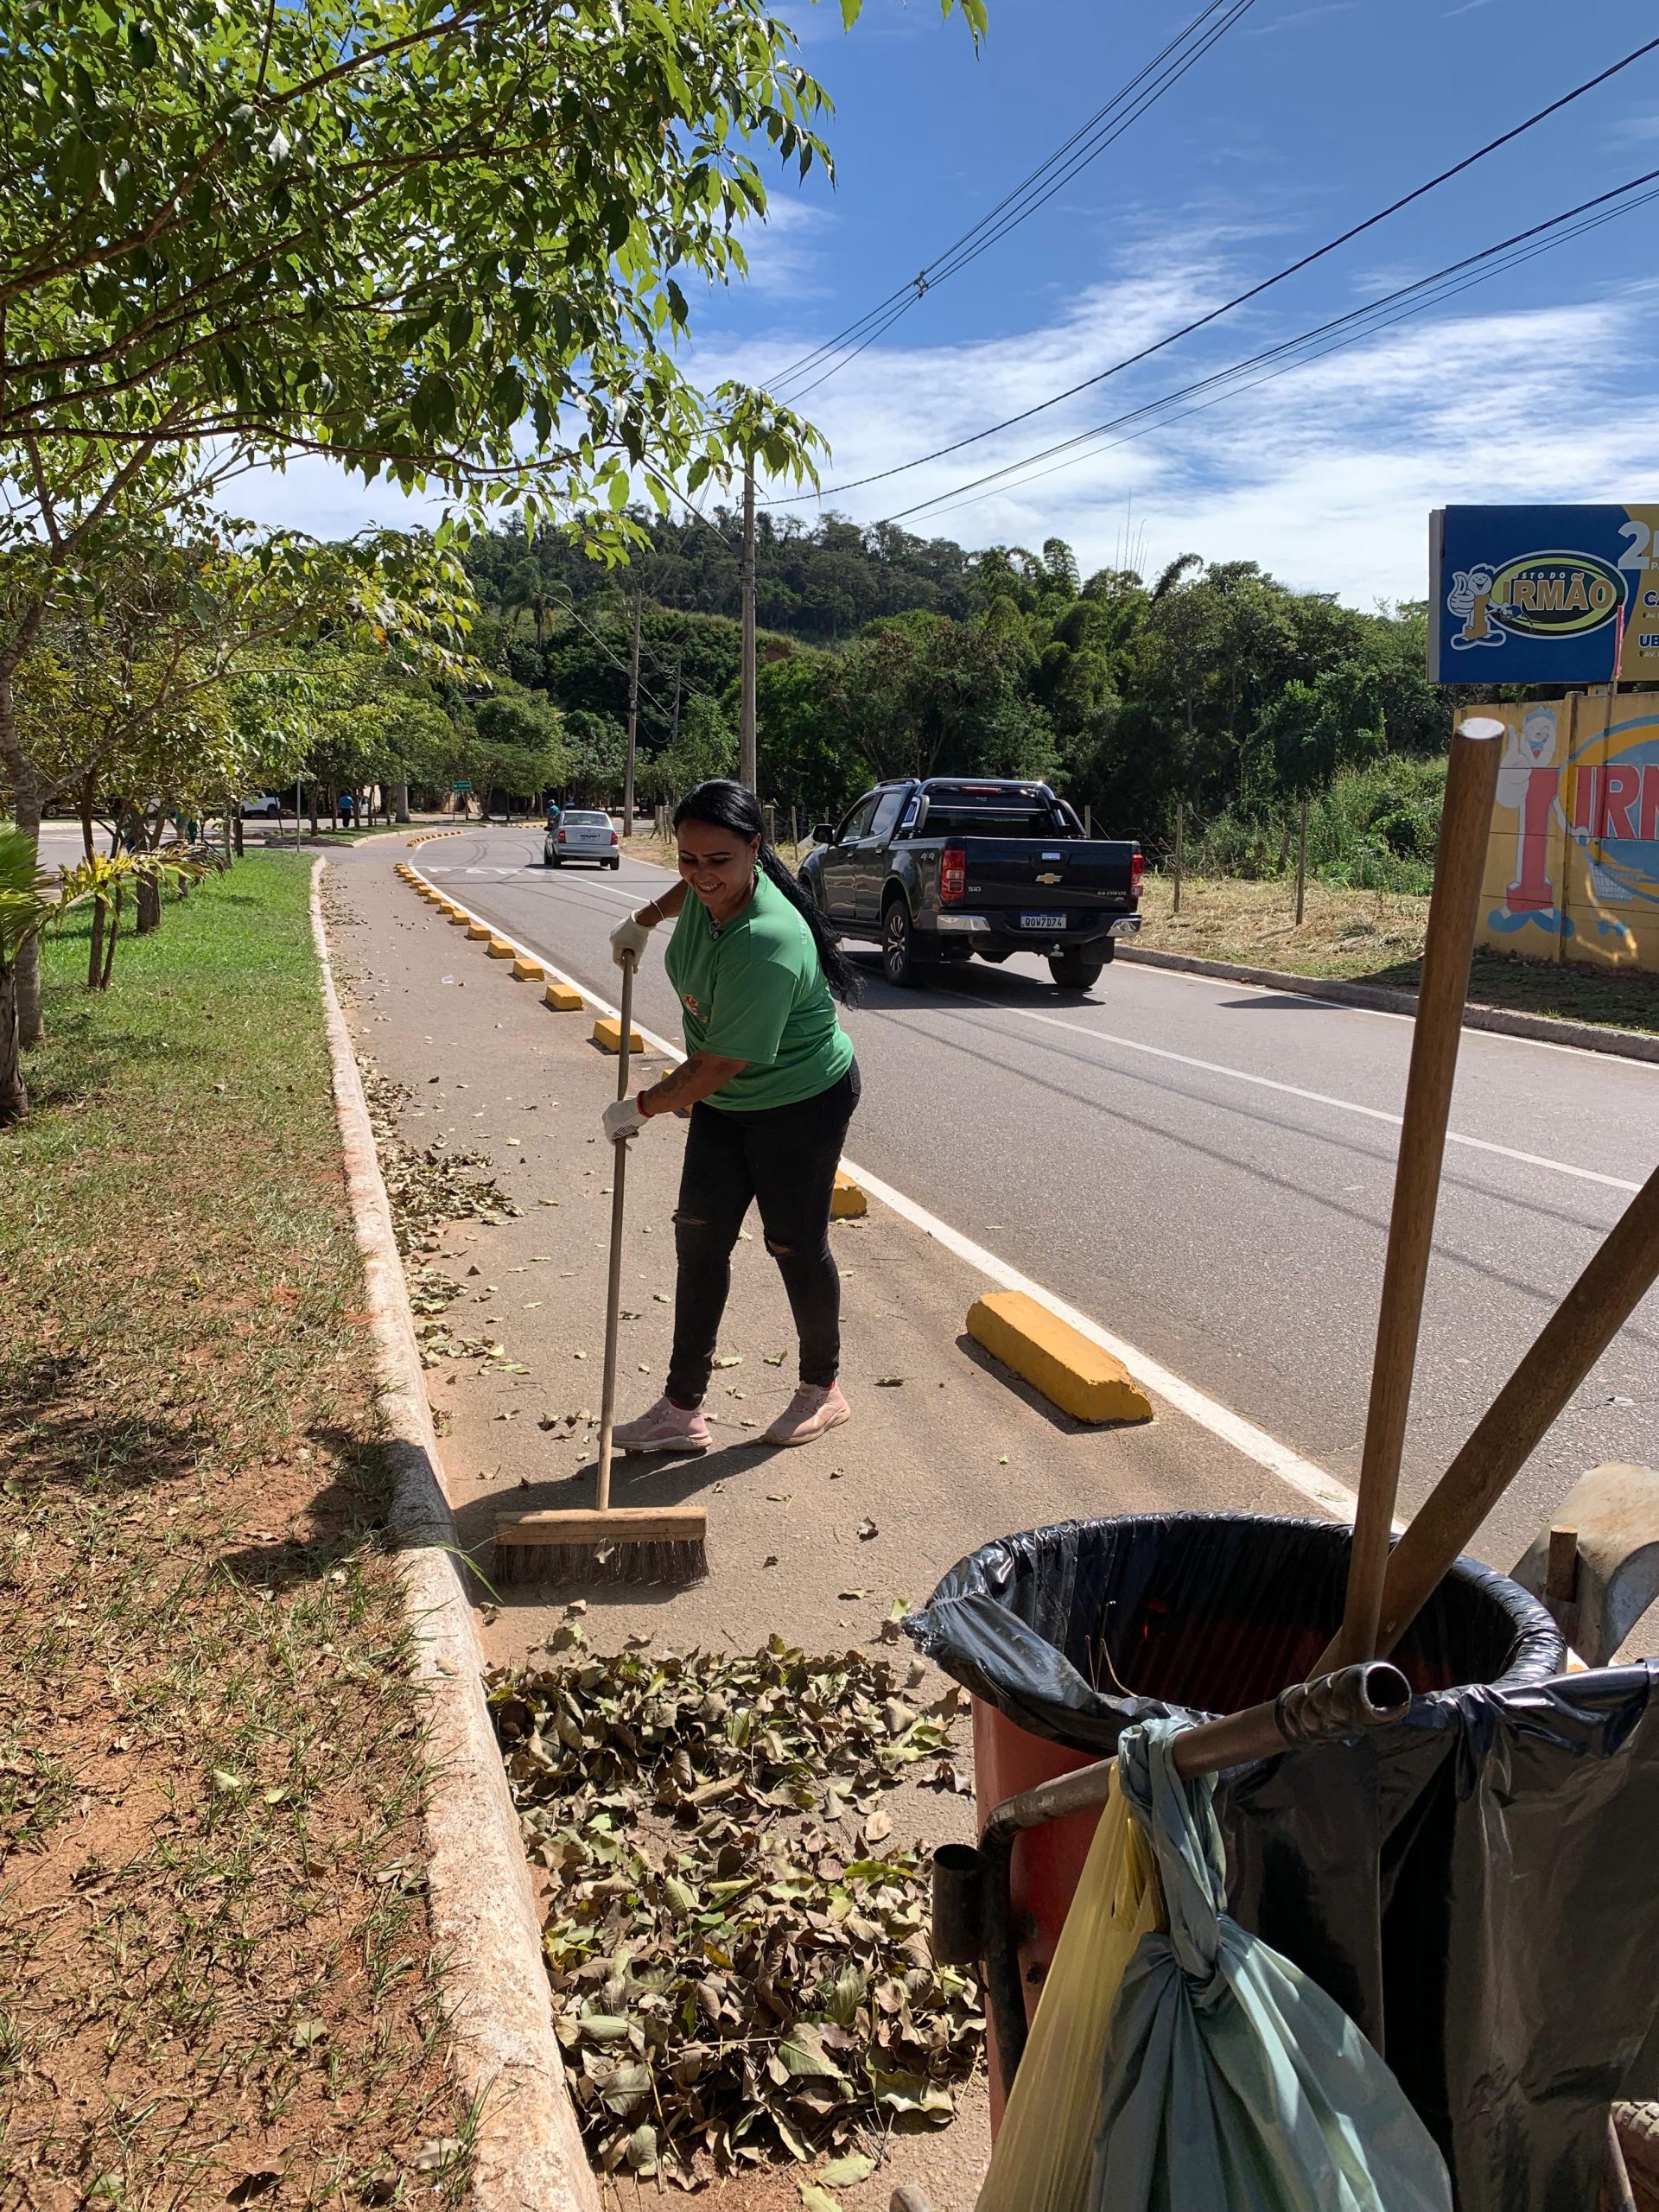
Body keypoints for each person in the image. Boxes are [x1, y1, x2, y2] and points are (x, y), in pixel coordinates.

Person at [602, 779, 861, 1452]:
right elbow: (691, 890)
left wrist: (641, 1107)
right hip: (728, 1101)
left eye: (719, 860)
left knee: (792, 1243)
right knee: (699, 1238)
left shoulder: (766, 940)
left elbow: (718, 1064)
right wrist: (646, 918)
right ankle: (680, 1410)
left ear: (755, 848)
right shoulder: (708, 888)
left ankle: (823, 1389)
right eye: (688, 858)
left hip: (800, 1102)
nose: (701, 875)